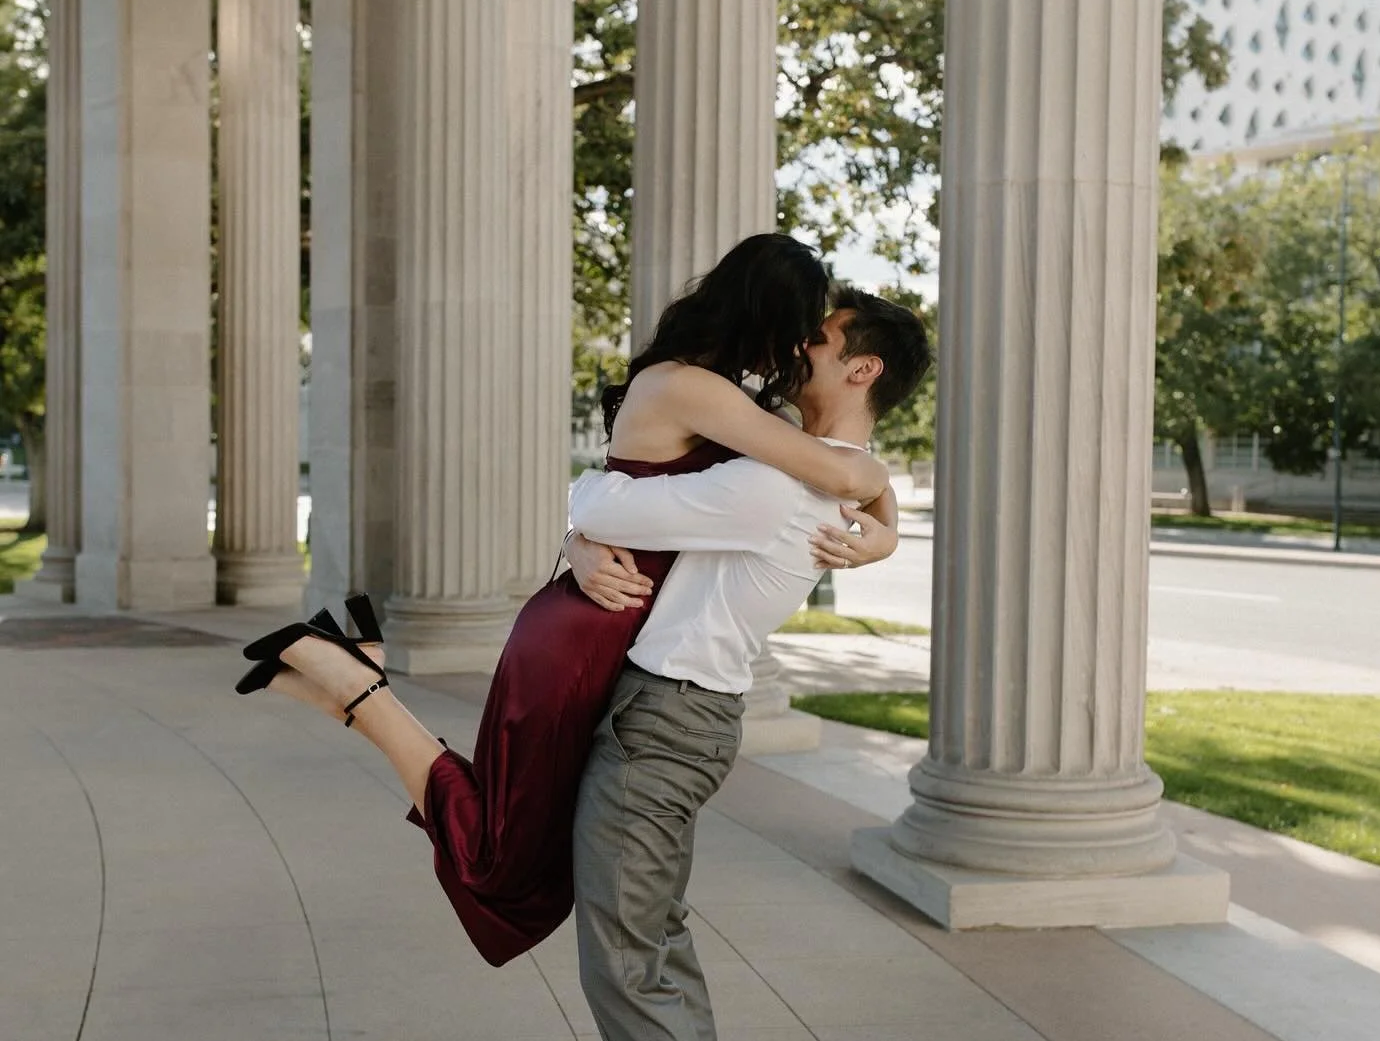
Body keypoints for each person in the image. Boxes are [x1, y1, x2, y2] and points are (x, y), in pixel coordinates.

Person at [241, 234, 898, 967]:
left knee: (523, 840)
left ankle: (345, 678)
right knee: (507, 859)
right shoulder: (698, 390)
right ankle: (359, 687)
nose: (801, 348)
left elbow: (841, 465)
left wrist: (885, 528)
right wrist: (881, 525)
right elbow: (840, 474)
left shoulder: (720, 394)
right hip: (586, 631)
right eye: (805, 325)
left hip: (596, 620)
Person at [564, 289, 933, 1041]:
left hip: (664, 728)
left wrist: (585, 533)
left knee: (632, 974)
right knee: (656, 970)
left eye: (813, 338)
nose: (787, 346)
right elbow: (617, 511)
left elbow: (608, 495)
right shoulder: (800, 474)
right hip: (677, 716)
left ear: (860, 370)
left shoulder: (773, 481)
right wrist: (588, 542)